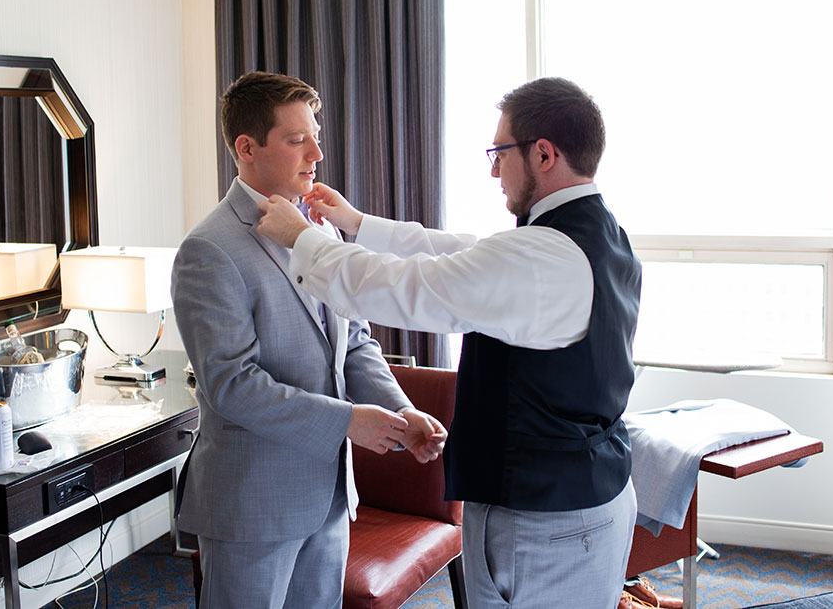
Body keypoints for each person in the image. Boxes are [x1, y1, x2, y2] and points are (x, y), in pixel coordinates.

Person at [257, 76, 641, 609]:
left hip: (543, 523)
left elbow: (408, 289)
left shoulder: (542, 257)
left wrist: (303, 238)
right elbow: (460, 252)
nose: (493, 169)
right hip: (585, 501)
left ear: (544, 154)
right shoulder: (590, 233)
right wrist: (356, 223)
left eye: (499, 152)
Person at [170, 71, 447, 609]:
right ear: (247, 148)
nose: (317, 152)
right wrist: (348, 421)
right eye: (298, 139)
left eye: (314, 135)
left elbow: (357, 342)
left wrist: (398, 410)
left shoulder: (320, 230)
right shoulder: (209, 249)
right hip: (253, 501)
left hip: (331, 495)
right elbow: (232, 386)